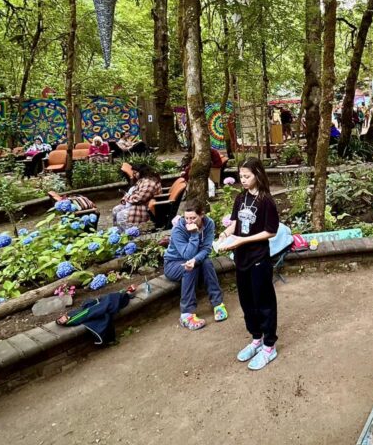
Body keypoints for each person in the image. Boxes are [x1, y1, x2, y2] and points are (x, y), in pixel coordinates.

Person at [220, 157, 280, 371]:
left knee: (264, 301)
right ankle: (256, 338)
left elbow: (271, 231)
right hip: (241, 258)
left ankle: (269, 345)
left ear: (258, 175)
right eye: (241, 176)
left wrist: (242, 240)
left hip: (259, 259)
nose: (243, 180)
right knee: (246, 301)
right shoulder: (240, 198)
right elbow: (235, 223)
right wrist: (224, 235)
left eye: (247, 176)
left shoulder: (266, 201)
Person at [163, 201, 227, 330]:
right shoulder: (178, 230)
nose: (189, 222)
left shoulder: (209, 224)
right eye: (187, 218)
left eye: (193, 218)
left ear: (201, 215)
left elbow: (207, 249)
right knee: (190, 268)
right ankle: (186, 314)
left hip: (195, 259)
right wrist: (194, 234)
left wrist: (196, 260)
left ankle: (218, 304)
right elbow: (187, 255)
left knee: (207, 263)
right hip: (173, 264)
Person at [112, 163, 163, 230]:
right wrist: (126, 198)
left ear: (142, 172)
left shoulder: (149, 182)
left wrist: (127, 197)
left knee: (121, 215)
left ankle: (127, 233)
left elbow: (139, 199)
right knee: (116, 209)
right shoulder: (142, 180)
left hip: (143, 208)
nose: (134, 175)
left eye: (135, 173)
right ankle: (117, 232)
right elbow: (133, 191)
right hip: (136, 205)